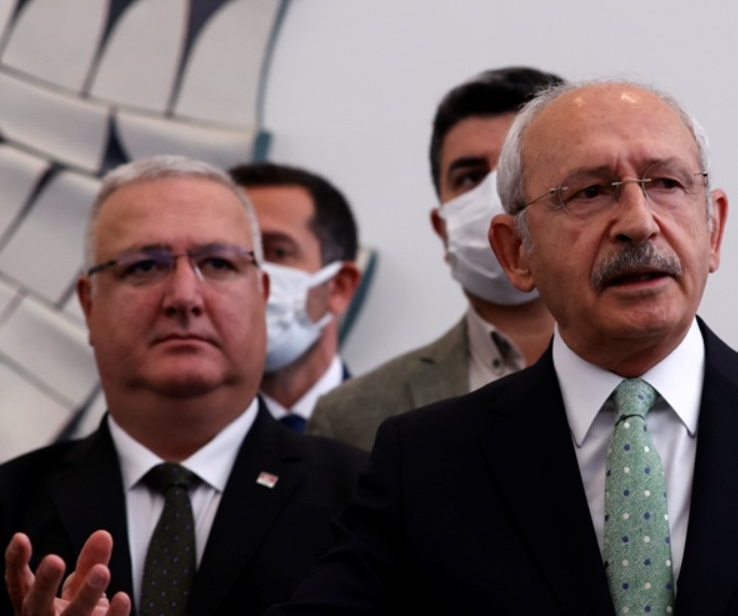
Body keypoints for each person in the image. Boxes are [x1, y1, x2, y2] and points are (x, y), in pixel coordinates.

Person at [269, 80, 738, 614]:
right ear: (516, 252)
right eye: (589, 192)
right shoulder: (426, 460)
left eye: (667, 184)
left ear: (714, 228)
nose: (639, 223)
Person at [1, 156, 366, 616]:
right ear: (90, 304)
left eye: (217, 263)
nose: (184, 297)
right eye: (143, 267)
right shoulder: (10, 505)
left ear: (262, 293)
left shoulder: (367, 503)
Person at [308, 66, 562, 450]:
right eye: (469, 177)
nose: (496, 198)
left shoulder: (649, 371)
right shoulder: (351, 415)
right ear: (443, 229)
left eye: (518, 171)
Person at [228, 162, 363, 432]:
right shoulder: (165, 433)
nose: (250, 273)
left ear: (338, 286)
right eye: (222, 258)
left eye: (277, 252)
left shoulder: (393, 434)